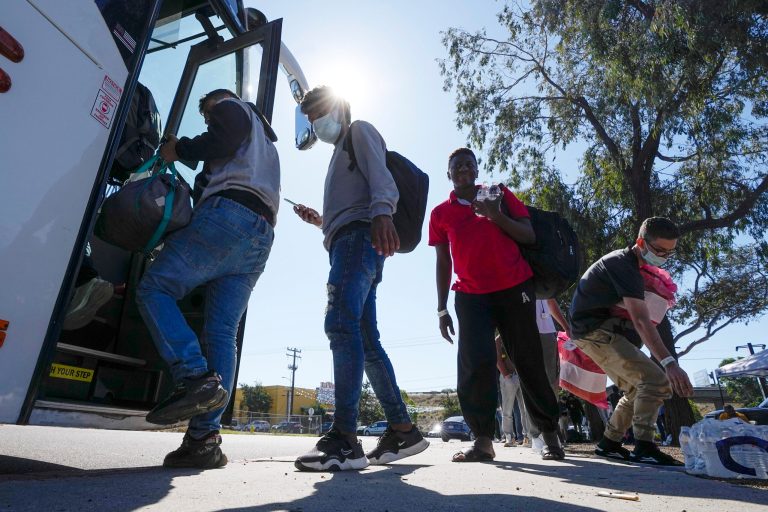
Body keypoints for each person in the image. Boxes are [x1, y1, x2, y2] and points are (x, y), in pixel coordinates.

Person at [135, 89, 279, 469]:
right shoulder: (266, 145)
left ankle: (194, 375)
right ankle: (204, 439)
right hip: (260, 236)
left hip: (229, 215)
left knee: (155, 287)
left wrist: (176, 150)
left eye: (206, 111)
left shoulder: (233, 108)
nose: (207, 117)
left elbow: (220, 137)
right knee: (221, 333)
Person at [291, 86, 428, 472]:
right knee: (366, 340)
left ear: (341, 109)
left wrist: (383, 212)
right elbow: (350, 203)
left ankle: (345, 440)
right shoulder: (337, 155)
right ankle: (402, 430)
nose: (318, 121)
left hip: (358, 241)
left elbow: (381, 178)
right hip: (348, 241)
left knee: (339, 323)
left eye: (322, 111)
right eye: (311, 117)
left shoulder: (360, 131)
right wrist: (320, 220)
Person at [430, 147, 563, 462]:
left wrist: (495, 214)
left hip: (514, 288)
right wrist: (441, 308)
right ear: (448, 174)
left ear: (476, 170)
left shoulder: (499, 194)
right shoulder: (440, 214)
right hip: (470, 296)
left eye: (469, 164)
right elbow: (442, 261)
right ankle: (482, 441)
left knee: (528, 361)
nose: (463, 168)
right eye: (456, 165)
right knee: (474, 366)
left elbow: (528, 235)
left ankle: (550, 436)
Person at [569, 217, 694, 466]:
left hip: (597, 331)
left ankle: (610, 442)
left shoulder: (632, 267)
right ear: (640, 242)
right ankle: (644, 445)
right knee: (656, 380)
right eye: (659, 250)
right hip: (594, 331)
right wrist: (669, 363)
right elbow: (641, 320)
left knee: (637, 389)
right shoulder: (623, 265)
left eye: (670, 252)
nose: (664, 256)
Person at [520, 298, 570, 448]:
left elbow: (551, 300)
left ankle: (551, 429)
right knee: (530, 383)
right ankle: (536, 434)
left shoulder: (543, 277)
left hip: (547, 333)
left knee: (552, 384)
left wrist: (566, 327)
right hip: (524, 332)